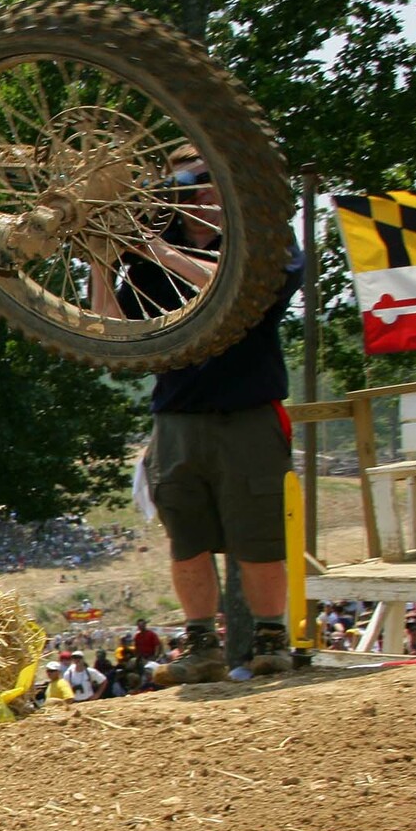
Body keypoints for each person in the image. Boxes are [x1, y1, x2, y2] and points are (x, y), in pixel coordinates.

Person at [99, 145, 302, 684]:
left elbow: (230, 288)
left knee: (259, 538)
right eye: (182, 181)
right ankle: (201, 646)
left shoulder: (264, 238)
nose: (194, 190)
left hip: (249, 411)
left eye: (205, 176)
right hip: (178, 416)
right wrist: (100, 258)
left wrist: (150, 247)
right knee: (185, 540)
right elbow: (107, 328)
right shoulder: (150, 251)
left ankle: (270, 641)